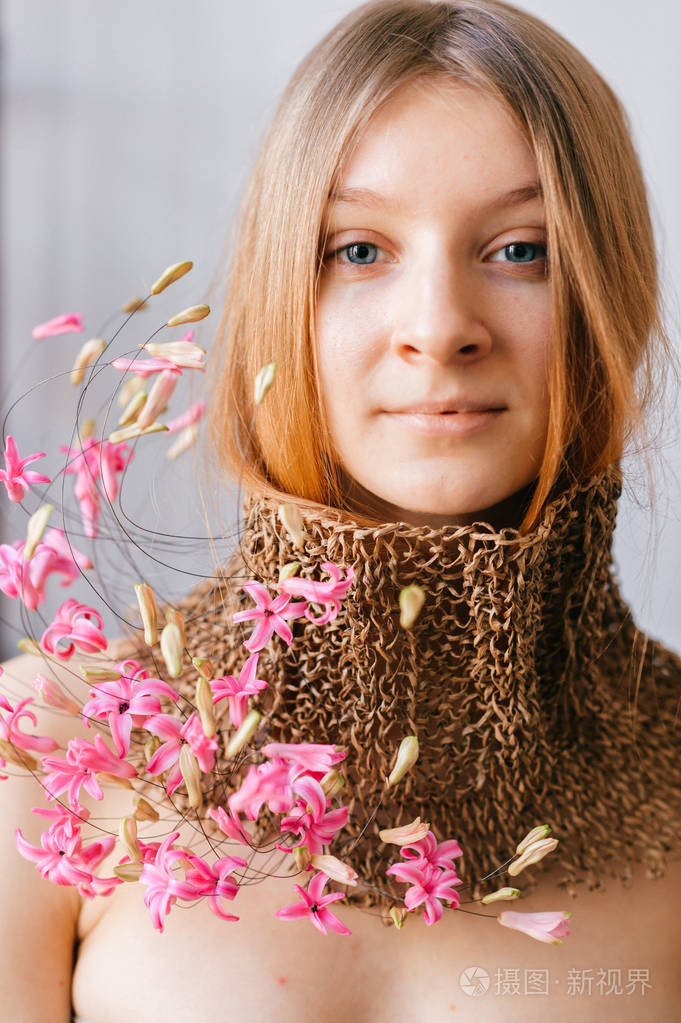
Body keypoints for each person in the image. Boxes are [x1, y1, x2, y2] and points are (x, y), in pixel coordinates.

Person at [1, 1, 680, 1020]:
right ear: (283, 292)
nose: (440, 328)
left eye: (521, 249)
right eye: (359, 251)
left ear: (609, 296)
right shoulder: (50, 742)